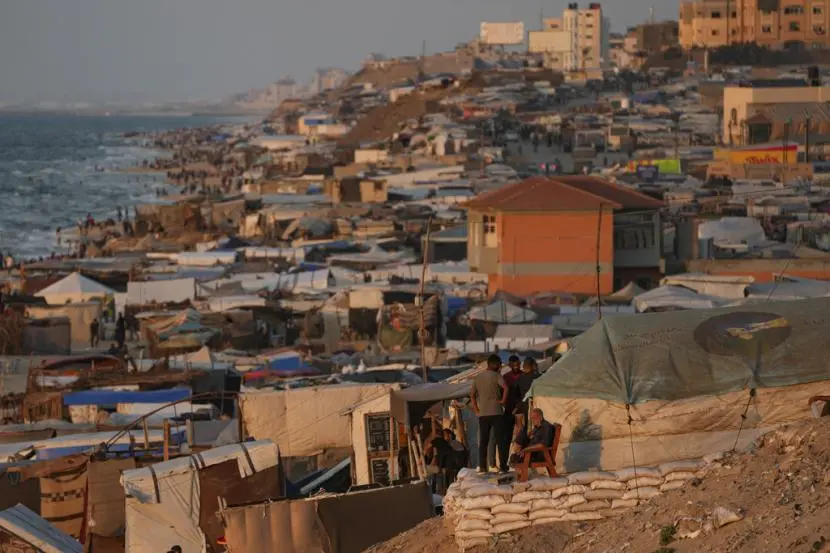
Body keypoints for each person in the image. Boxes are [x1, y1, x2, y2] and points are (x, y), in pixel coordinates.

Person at [470, 354, 509, 473]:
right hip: (496, 412)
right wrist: (502, 401)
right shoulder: (496, 375)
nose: (500, 367)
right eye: (499, 364)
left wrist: (476, 408)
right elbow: (506, 388)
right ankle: (503, 466)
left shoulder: (478, 377)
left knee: (483, 442)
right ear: (495, 364)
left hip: (483, 414)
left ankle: (482, 466)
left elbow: (472, 394)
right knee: (500, 441)